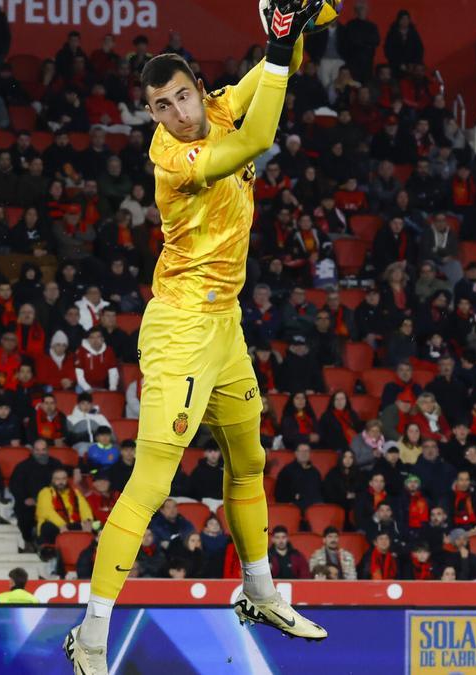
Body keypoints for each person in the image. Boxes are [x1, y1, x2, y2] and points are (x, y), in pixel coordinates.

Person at [66, 5, 329, 670]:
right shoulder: (177, 160)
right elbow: (259, 135)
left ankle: (260, 590)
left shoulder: (215, 105)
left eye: (183, 95)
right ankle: (92, 636)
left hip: (226, 323)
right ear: (153, 116)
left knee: (249, 460)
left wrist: (294, 32)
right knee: (153, 481)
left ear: (196, 89)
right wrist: (277, 42)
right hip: (181, 326)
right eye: (163, 106)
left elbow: (273, 76)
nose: (179, 112)